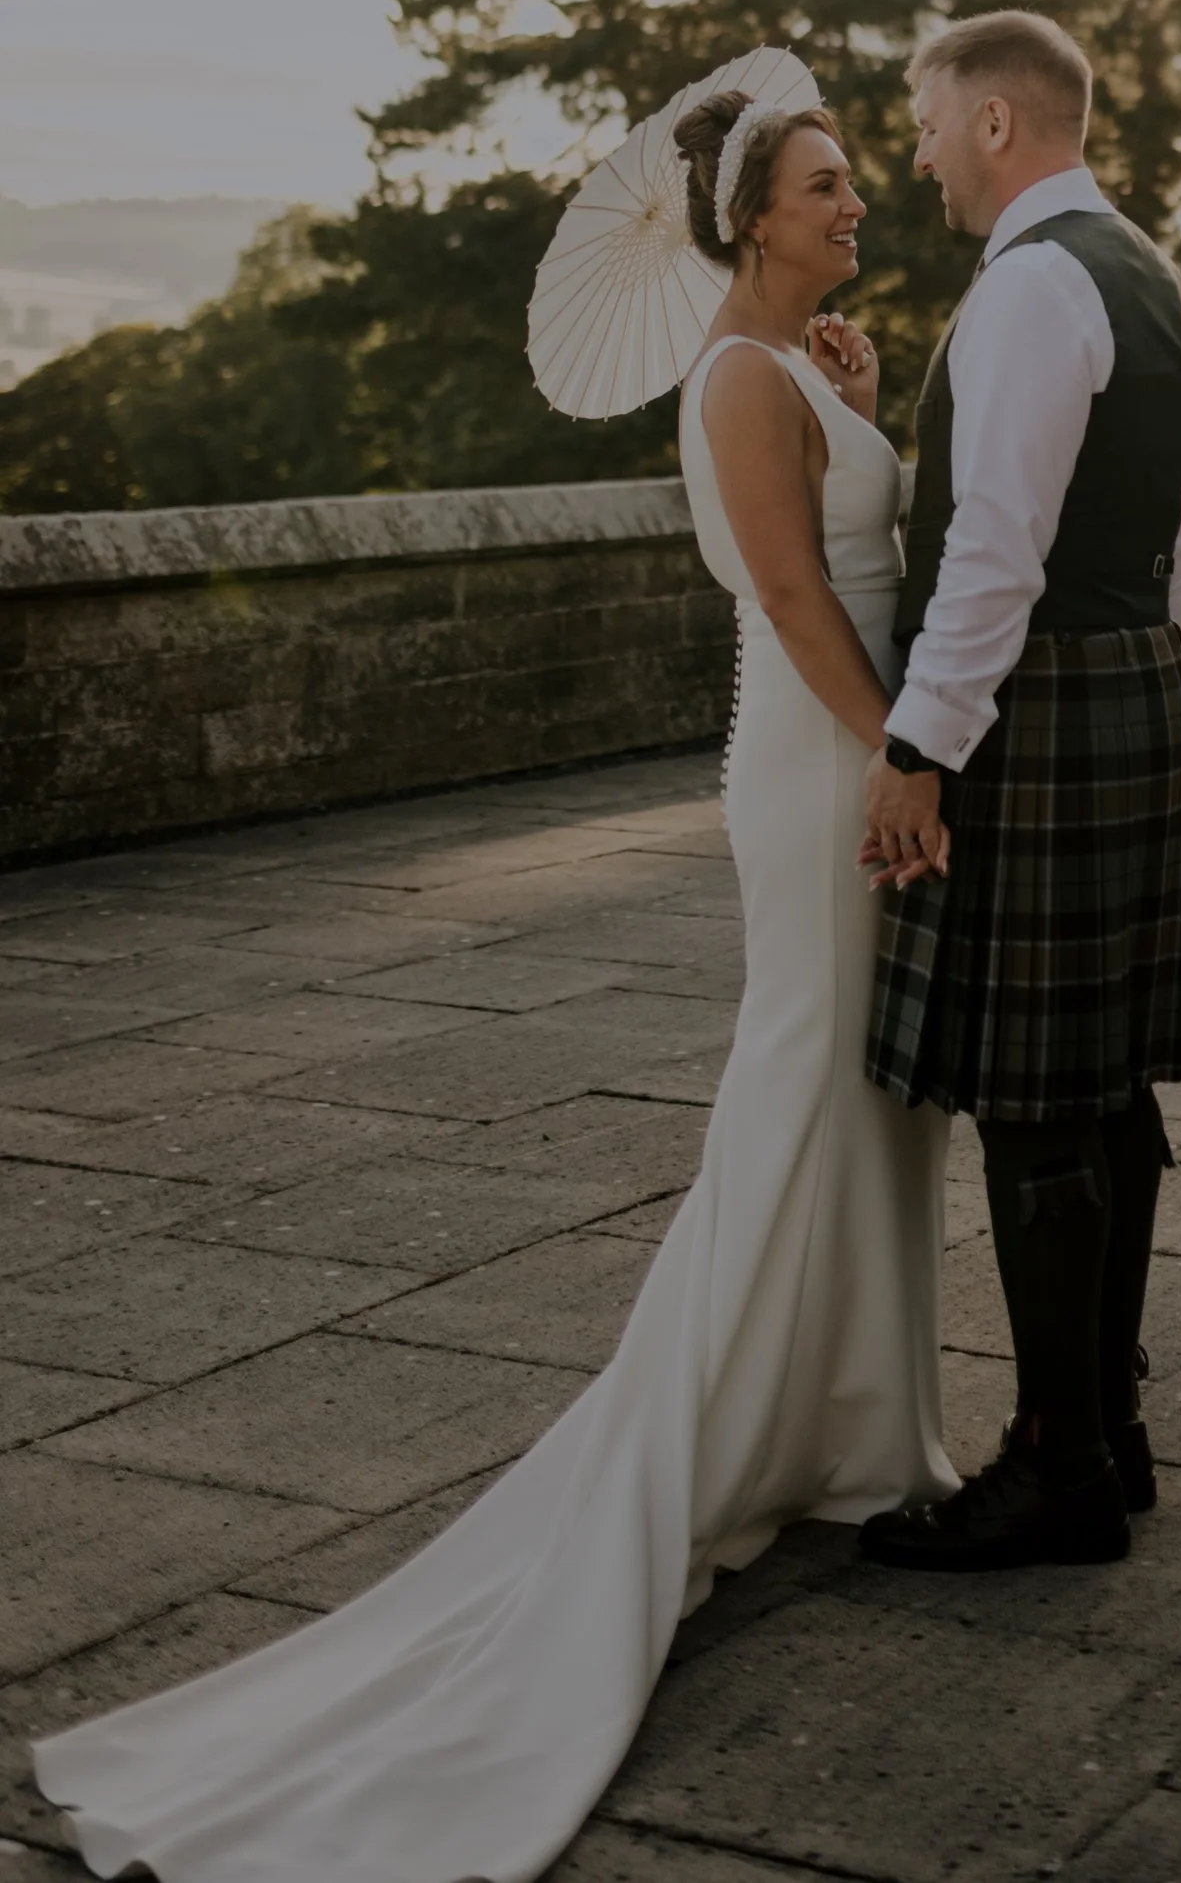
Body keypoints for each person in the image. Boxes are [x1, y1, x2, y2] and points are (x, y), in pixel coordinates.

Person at [35, 90, 953, 1883]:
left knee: (865, 1092)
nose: (855, 201)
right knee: (798, 1088)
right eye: (826, 184)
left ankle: (843, 1428)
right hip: (823, 762)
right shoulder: (735, 383)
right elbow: (785, 585)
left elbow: (844, 535)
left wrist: (853, 404)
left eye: (852, 176)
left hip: (848, 746)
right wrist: (909, 751)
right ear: (752, 220)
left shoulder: (795, 369)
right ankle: (706, 1440)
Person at [851, 6, 1181, 1574]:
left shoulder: (1028, 289)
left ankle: (1061, 1462)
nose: (918, 152)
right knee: (1103, 1083)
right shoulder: (1152, 277)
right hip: (1132, 680)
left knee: (1032, 1099)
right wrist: (1133, 658)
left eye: (929, 121)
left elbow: (990, 545)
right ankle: (1109, 1424)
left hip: (1037, 706)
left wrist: (920, 748)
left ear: (998, 123)